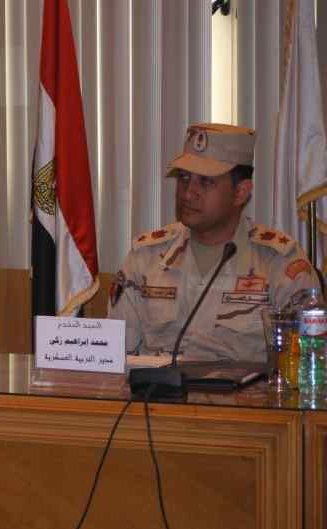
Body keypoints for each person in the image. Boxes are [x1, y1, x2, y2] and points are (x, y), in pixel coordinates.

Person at [109, 123, 319, 361]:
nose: (188, 193)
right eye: (184, 178)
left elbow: (309, 362)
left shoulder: (279, 263)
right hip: (156, 386)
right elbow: (114, 358)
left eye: (206, 182)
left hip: (242, 387)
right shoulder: (145, 257)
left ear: (241, 192)